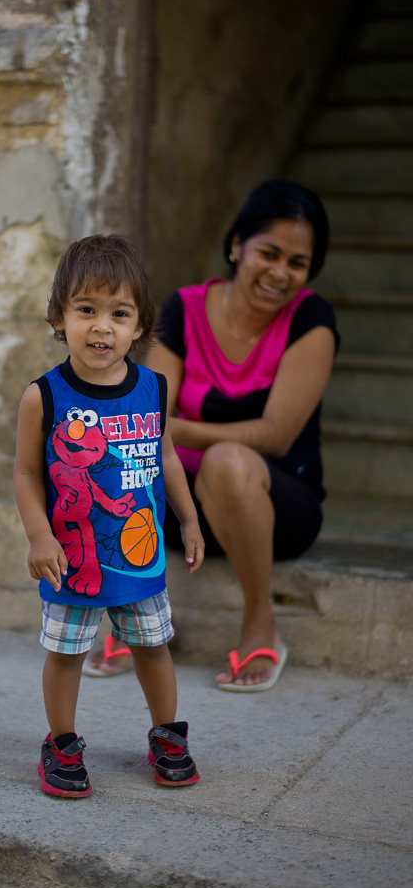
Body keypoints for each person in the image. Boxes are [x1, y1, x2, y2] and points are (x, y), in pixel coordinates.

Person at [14, 234, 204, 797]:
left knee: (152, 645)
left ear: (140, 324)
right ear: (59, 317)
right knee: (68, 652)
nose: (103, 327)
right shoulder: (43, 396)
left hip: (138, 559)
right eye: (86, 310)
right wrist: (38, 535)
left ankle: (167, 734)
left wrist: (188, 520)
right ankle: (62, 742)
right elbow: (26, 474)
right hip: (70, 560)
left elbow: (166, 457)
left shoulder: (152, 389)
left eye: (119, 313)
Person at [144, 179, 339, 692]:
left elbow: (275, 436)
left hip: (278, 505)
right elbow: (151, 412)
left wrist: (183, 430)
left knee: (228, 461)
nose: (280, 273)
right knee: (113, 455)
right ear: (237, 246)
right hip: (184, 505)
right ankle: (141, 615)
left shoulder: (312, 319)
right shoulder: (183, 308)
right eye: (268, 253)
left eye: (296, 263)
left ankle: (261, 623)